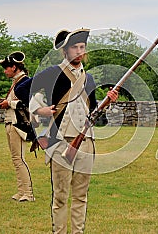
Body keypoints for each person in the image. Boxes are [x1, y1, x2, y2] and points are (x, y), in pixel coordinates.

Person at [16, 28, 118, 233]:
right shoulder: (53, 73)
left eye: (82, 47)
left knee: (81, 195)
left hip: (86, 142)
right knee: (61, 196)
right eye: (75, 47)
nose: (79, 51)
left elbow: (97, 117)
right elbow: (22, 89)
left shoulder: (88, 79)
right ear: (65, 51)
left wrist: (107, 103)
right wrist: (39, 109)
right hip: (62, 142)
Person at [0, 51, 35, 202]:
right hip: (11, 123)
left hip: (18, 125)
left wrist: (9, 103)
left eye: (7, 67)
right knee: (16, 159)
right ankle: (21, 192)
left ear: (14, 67)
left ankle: (28, 193)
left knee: (19, 159)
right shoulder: (17, 82)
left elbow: (30, 104)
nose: (5, 71)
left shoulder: (24, 82)